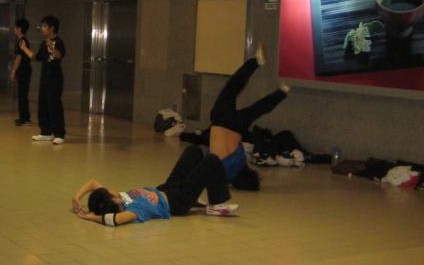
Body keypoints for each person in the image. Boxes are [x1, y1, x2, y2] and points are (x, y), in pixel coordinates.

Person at [72, 145, 239, 227]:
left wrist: (77, 198)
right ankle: (217, 204)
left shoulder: (119, 198)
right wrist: (91, 217)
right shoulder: (132, 212)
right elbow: (113, 220)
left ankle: (197, 198)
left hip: (165, 188)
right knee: (211, 161)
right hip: (177, 202)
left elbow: (93, 183)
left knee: (193, 151)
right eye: (112, 195)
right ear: (113, 203)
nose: (114, 192)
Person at [209, 44, 291, 183]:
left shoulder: (237, 166)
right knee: (231, 88)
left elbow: (241, 150)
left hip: (237, 128)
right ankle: (256, 62)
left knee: (257, 109)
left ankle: (282, 92)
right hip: (220, 121)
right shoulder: (221, 173)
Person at [18, 15, 66, 145]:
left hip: (55, 79)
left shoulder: (58, 41)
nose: (42, 29)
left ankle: (59, 134)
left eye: (44, 26)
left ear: (52, 28)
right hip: (44, 78)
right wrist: (24, 49)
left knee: (54, 106)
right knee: (43, 105)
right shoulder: (43, 43)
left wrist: (51, 47)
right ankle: (46, 132)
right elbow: (36, 57)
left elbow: (59, 55)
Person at [10, 18, 32, 126]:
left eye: (15, 27)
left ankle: (25, 118)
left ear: (19, 29)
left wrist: (13, 71)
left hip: (24, 70)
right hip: (24, 70)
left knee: (22, 95)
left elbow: (19, 57)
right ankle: (24, 117)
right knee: (22, 94)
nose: (14, 29)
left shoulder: (22, 41)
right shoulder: (22, 40)